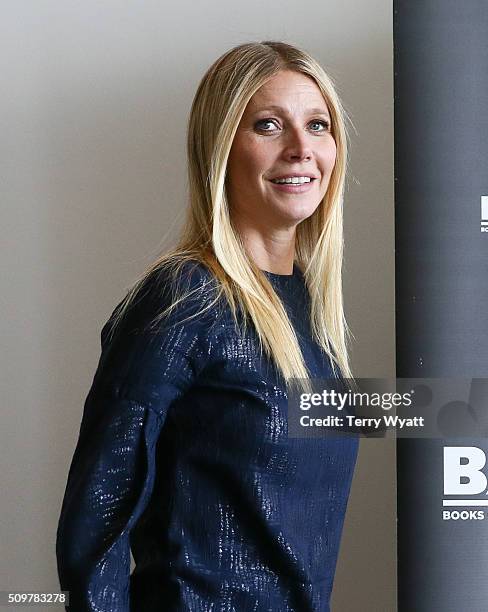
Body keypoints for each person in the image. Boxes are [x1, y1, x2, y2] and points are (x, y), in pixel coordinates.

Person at [56, 41, 359, 612]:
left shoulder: (316, 315)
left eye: (318, 125)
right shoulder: (184, 298)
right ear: (219, 149)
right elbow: (96, 519)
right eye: (268, 125)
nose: (301, 149)